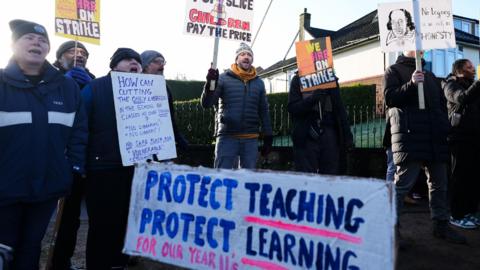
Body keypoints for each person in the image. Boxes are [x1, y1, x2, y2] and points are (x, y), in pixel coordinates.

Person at [0, 19, 87, 269]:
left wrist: (73, 168)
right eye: (29, 38)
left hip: (47, 186)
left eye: (42, 40)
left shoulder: (68, 87)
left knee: (31, 246)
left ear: (48, 49)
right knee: (4, 247)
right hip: (5, 189)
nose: (37, 42)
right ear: (13, 45)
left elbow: (78, 133)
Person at [384, 50, 465, 244]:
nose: (422, 48)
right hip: (410, 135)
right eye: (417, 44)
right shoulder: (393, 71)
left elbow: (439, 105)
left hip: (434, 137)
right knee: (402, 184)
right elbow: (390, 99)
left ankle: (441, 225)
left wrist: (445, 126)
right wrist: (411, 85)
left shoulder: (430, 76)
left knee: (439, 183)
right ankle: (391, 229)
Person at [81, 48, 142, 269]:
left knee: (126, 220)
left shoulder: (147, 91)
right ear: (114, 65)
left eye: (137, 60)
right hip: (102, 166)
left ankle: (119, 263)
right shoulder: (95, 88)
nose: (134, 63)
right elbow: (81, 126)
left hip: (135, 168)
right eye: (128, 59)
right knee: (101, 223)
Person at [50, 40, 95, 270]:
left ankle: (61, 262)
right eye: (72, 51)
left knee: (70, 218)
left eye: (84, 52)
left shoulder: (94, 82)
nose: (79, 54)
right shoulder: (47, 79)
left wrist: (92, 89)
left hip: (80, 160)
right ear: (59, 59)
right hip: (51, 159)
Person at [201, 42, 272, 169]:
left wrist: (268, 135)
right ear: (236, 58)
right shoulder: (222, 78)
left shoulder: (259, 83)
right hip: (227, 137)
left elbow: (264, 110)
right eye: (242, 54)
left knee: (247, 180)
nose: (246, 57)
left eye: (249, 55)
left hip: (251, 138)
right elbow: (207, 103)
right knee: (222, 177)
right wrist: (210, 84)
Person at [288, 73, 353, 175]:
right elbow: (292, 108)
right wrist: (312, 99)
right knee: (307, 176)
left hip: (329, 132)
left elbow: (339, 108)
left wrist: (347, 135)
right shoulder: (297, 80)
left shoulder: (330, 79)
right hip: (307, 135)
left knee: (330, 175)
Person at [442, 59, 480, 229]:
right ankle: (456, 215)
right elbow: (462, 98)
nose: (473, 68)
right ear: (459, 70)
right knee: (459, 177)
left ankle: (470, 212)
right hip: (459, 139)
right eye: (469, 67)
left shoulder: (474, 85)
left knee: (473, 177)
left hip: (474, 137)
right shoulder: (450, 85)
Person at [140, 50, 189, 154]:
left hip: (161, 143)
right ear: (145, 65)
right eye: (157, 61)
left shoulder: (164, 87)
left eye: (163, 62)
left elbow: (169, 116)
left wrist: (178, 137)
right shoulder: (131, 87)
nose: (162, 65)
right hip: (139, 144)